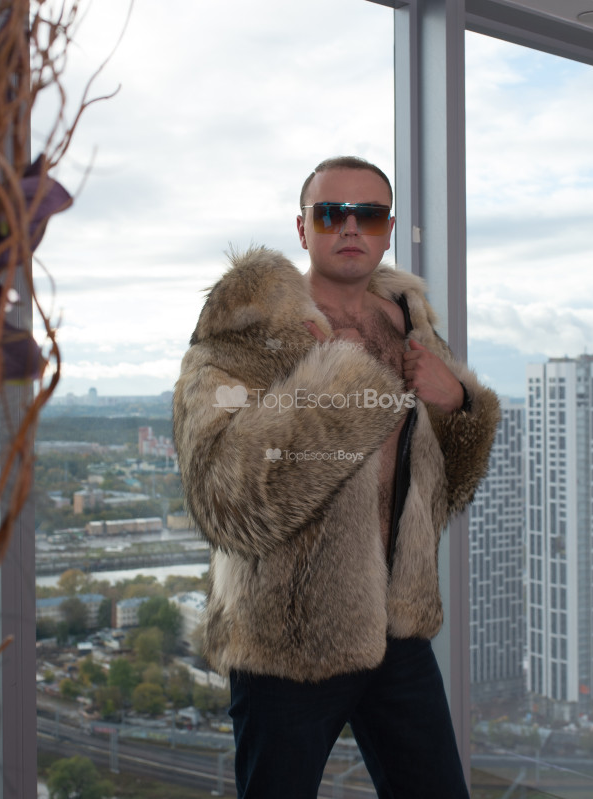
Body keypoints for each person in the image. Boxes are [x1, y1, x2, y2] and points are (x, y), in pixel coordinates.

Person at [173, 156, 499, 798]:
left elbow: (451, 488)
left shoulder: (413, 329)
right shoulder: (245, 339)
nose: (350, 226)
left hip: (397, 628)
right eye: (331, 213)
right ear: (303, 228)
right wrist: (337, 391)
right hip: (285, 639)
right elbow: (223, 495)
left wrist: (459, 406)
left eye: (368, 215)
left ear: (388, 230)